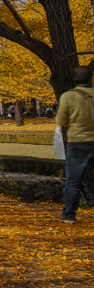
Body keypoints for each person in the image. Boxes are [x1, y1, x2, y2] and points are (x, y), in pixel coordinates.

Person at [55, 65, 94, 224]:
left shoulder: (68, 97)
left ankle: (69, 214)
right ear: (90, 78)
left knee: (73, 182)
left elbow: (61, 121)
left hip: (78, 143)